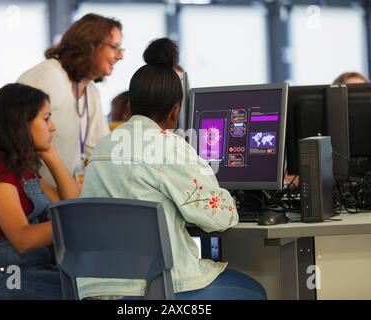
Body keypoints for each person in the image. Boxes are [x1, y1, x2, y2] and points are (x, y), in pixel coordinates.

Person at [78, 39, 267, 300]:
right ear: (176, 110)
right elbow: (217, 216)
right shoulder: (169, 146)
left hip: (97, 289)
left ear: (131, 105)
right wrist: (232, 200)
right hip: (154, 289)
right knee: (255, 293)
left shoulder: (102, 148)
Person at [0, 83, 79, 299]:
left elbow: (70, 204)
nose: (53, 126)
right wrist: (76, 222)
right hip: (7, 279)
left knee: (91, 289)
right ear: (21, 124)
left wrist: (50, 155)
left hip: (29, 269)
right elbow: (23, 238)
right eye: (46, 118)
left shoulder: (20, 167)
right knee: (86, 293)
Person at [18, 13, 124, 186]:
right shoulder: (49, 76)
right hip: (34, 195)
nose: (120, 56)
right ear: (90, 45)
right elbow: (12, 142)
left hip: (64, 197)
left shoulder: (91, 92)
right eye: (114, 47)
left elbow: (103, 151)